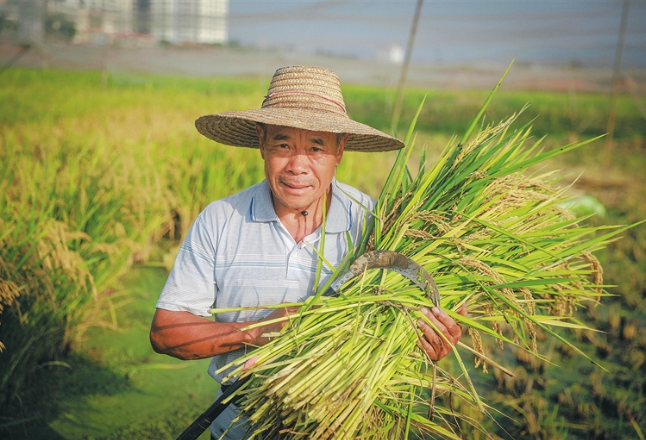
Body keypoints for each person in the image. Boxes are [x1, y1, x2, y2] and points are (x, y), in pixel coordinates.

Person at [150, 65, 465, 439]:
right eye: (283, 145)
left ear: (340, 150)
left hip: (348, 426)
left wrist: (427, 343)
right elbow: (166, 334)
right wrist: (256, 331)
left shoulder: (376, 226)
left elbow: (403, 322)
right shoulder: (221, 220)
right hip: (239, 427)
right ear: (261, 142)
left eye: (316, 147)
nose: (297, 166)